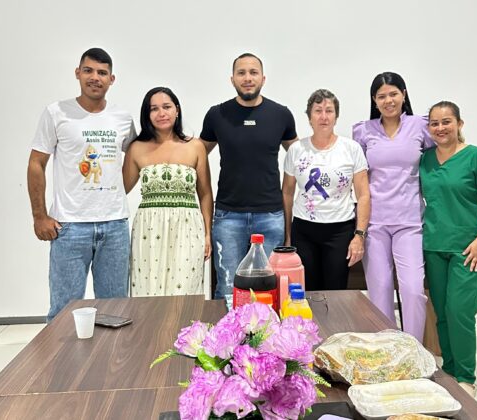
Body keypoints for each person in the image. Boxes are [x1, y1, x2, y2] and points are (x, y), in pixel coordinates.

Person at [27, 48, 136, 321]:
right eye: (88, 71)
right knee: (63, 312)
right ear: (77, 73)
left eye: (102, 72)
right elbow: (36, 163)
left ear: (112, 79)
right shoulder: (56, 112)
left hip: (115, 226)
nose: (95, 77)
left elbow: (136, 158)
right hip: (69, 227)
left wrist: (116, 191)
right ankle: (61, 353)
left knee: (115, 311)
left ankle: (111, 352)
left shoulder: (123, 118)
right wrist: (39, 216)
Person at [200, 53, 298, 304]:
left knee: (269, 290)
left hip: (271, 216)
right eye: (241, 73)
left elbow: (301, 157)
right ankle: (228, 331)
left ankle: (266, 332)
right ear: (232, 79)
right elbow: (196, 154)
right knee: (228, 289)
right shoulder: (217, 115)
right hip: (228, 217)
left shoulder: (281, 115)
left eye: (253, 72)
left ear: (263, 78)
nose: (247, 78)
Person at [420, 101, 477, 396]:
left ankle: (466, 376)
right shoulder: (425, 160)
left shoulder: (476, 157)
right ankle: (450, 370)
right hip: (434, 245)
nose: (440, 128)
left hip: (468, 248)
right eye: (435, 123)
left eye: (446, 122)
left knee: (460, 312)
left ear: (459, 124)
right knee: (442, 313)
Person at [352, 72, 433, 342]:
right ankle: (386, 350)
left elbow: (443, 155)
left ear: (404, 94)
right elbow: (358, 176)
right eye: (382, 96)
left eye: (393, 94)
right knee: (380, 292)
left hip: (410, 223)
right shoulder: (363, 130)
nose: (388, 100)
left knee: (413, 290)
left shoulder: (420, 126)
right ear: (374, 100)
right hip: (374, 224)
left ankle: (413, 350)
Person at [123, 87, 213, 296]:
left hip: (188, 227)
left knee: (186, 293)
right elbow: (120, 190)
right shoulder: (136, 148)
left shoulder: (195, 146)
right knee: (148, 292)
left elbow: (206, 194)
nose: (161, 113)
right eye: (154, 109)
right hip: (148, 228)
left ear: (177, 110)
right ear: (147, 115)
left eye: (166, 107)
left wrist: (208, 233)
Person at [282, 89, 370, 290]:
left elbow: (364, 195)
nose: (324, 116)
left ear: (336, 116)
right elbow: (287, 193)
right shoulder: (296, 150)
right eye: (318, 111)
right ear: (309, 117)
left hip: (340, 231)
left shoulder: (351, 149)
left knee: (335, 291)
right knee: (306, 291)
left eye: (329, 111)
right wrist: (287, 234)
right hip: (304, 230)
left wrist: (359, 235)